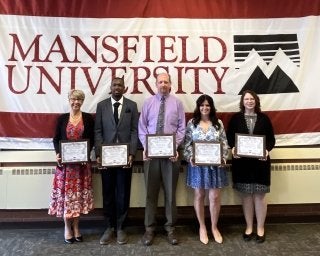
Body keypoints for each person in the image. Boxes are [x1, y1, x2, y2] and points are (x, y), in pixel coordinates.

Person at [138, 72, 186, 246]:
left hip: (171, 156)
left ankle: (170, 228)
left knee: (170, 194)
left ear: (170, 84)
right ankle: (149, 229)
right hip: (151, 156)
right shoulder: (148, 103)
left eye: (166, 82)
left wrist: (174, 146)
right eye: (160, 82)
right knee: (150, 194)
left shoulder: (178, 104)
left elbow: (182, 128)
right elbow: (142, 127)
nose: (163, 85)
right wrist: (146, 147)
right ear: (155, 84)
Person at [226, 90, 275, 244]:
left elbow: (271, 139)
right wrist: (233, 148)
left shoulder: (264, 119)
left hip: (261, 163)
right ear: (242, 102)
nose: (249, 101)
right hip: (242, 164)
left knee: (260, 196)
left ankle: (260, 228)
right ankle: (249, 227)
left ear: (256, 101)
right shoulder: (235, 118)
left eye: (251, 99)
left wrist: (266, 150)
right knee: (246, 196)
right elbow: (229, 138)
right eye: (246, 99)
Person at [94, 77, 139, 245]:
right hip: (106, 158)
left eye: (120, 85)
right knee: (108, 193)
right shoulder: (102, 106)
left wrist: (132, 154)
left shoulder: (132, 106)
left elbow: (134, 131)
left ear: (124, 88)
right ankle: (109, 227)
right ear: (110, 87)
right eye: (114, 85)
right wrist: (98, 153)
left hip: (125, 158)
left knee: (123, 192)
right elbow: (98, 131)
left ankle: (121, 228)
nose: (117, 87)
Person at [49, 89, 94, 244]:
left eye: (79, 99)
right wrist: (57, 154)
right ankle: (67, 227)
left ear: (83, 101)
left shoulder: (88, 118)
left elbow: (92, 139)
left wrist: (86, 154)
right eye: (73, 99)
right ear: (69, 100)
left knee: (78, 198)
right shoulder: (62, 119)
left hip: (81, 167)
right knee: (67, 198)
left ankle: (76, 227)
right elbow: (55, 139)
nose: (76, 102)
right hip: (65, 168)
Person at [183, 94, 229, 245]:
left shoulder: (218, 123)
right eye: (202, 105)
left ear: (211, 107)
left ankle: (214, 227)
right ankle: (202, 227)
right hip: (197, 166)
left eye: (207, 105)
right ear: (198, 107)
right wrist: (190, 157)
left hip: (215, 166)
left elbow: (224, 144)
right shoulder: (192, 123)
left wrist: (223, 157)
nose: (205, 108)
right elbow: (187, 144)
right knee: (199, 195)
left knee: (214, 197)